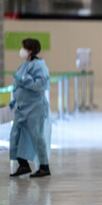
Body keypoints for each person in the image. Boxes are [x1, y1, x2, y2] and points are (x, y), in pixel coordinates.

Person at [9, 38, 51, 178]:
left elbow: (40, 85)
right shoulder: (25, 65)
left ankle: (44, 167)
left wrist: (24, 79)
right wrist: (14, 99)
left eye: (24, 48)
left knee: (37, 137)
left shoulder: (40, 66)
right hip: (22, 108)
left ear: (31, 50)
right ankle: (23, 165)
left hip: (35, 108)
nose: (21, 51)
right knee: (16, 135)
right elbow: (18, 84)